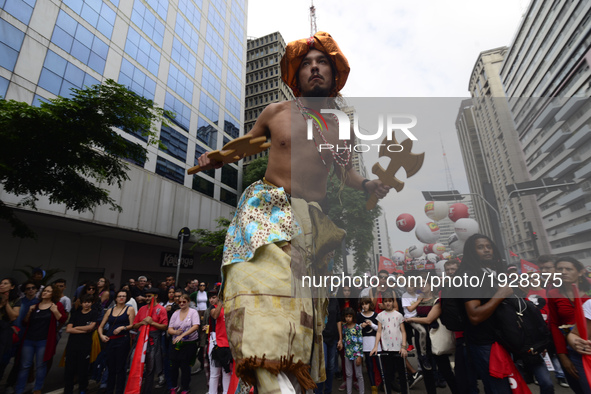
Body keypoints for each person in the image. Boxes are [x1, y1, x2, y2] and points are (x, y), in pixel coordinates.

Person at [197, 31, 390, 392]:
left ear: (334, 76)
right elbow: (246, 145)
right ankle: (264, 370)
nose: (314, 68)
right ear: (295, 75)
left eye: (322, 63)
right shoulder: (276, 112)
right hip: (266, 207)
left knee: (300, 310)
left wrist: (366, 185)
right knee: (253, 282)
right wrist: (217, 156)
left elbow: (345, 172)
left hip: (311, 221)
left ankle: (282, 379)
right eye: (306, 64)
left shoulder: (339, 126)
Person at [456, 234, 514, 394]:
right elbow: (474, 316)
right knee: (498, 389)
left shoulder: (489, 273)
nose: (487, 250)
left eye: (488, 246)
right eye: (480, 247)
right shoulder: (469, 275)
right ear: (471, 252)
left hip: (499, 340)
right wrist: (500, 294)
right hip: (485, 344)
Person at [405, 274, 458, 394]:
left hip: (435, 336)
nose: (421, 286)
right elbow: (410, 310)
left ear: (430, 284)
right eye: (420, 284)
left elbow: (429, 319)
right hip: (421, 338)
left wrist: (412, 320)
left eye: (424, 283)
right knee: (426, 370)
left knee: (445, 368)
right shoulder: (419, 299)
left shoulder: (437, 300)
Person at [547, 256, 591, 394]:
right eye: (560, 269)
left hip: (589, 346)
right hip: (571, 349)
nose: (563, 272)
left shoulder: (589, 293)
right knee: (579, 386)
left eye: (568, 269)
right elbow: (554, 324)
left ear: (580, 272)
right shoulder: (554, 293)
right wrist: (562, 356)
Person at [15, 284, 68, 394]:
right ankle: (19, 389)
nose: (45, 292)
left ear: (53, 294)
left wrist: (55, 311)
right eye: (44, 291)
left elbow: (63, 319)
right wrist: (29, 312)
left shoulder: (56, 305)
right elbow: (25, 322)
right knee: (25, 365)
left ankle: (37, 388)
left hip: (44, 340)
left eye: (48, 291)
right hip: (29, 339)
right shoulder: (35, 305)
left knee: (41, 365)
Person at [131, 287, 168, 394]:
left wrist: (152, 323)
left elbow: (165, 326)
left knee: (150, 368)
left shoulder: (161, 309)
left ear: (155, 296)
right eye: (146, 296)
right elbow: (134, 325)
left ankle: (146, 391)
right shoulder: (142, 309)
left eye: (149, 296)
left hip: (153, 340)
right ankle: (135, 389)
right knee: (136, 365)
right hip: (140, 339)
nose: (147, 298)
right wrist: (142, 323)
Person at [98, 289, 135, 394]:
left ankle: (119, 390)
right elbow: (101, 326)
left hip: (122, 340)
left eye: (124, 296)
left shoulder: (129, 309)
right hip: (110, 340)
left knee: (120, 367)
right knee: (110, 367)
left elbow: (132, 325)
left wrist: (122, 328)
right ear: (116, 298)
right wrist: (101, 335)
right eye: (119, 296)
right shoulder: (110, 310)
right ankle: (109, 390)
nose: (121, 298)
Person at [370, 291, 408, 394]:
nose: (388, 303)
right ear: (382, 303)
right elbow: (379, 331)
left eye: (390, 301)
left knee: (401, 373)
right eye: (385, 301)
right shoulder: (380, 315)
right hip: (386, 349)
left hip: (399, 348)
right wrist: (375, 346)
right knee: (388, 373)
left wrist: (404, 346)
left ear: (393, 302)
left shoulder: (399, 315)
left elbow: (403, 331)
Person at [63, 294, 98, 394]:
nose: (86, 304)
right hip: (72, 345)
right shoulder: (76, 314)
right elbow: (68, 329)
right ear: (81, 303)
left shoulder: (94, 313)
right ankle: (68, 390)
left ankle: (83, 388)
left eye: (89, 302)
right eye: (84, 302)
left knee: (83, 368)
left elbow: (91, 327)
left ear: (92, 303)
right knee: (69, 369)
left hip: (85, 345)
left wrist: (76, 328)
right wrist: (83, 330)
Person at [167, 294, 200, 394]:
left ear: (188, 302)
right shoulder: (176, 313)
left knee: (185, 365)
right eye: (179, 302)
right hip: (176, 343)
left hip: (189, 343)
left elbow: (195, 326)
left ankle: (185, 387)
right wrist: (176, 333)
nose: (181, 303)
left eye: (184, 302)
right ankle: (174, 386)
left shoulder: (193, 312)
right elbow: (169, 329)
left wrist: (182, 335)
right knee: (174, 366)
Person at [357, 298, 387, 394]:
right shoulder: (359, 316)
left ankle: (384, 384)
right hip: (365, 343)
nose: (364, 306)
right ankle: (373, 386)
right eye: (363, 304)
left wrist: (372, 324)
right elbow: (355, 329)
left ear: (370, 304)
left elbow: (380, 329)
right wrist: (361, 326)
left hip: (376, 343)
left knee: (380, 365)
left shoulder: (376, 315)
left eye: (366, 304)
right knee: (369, 366)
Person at [208, 294, 232, 394]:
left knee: (227, 372)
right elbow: (215, 316)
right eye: (211, 298)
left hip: (229, 343)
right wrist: (220, 303)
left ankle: (226, 392)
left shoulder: (231, 307)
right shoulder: (214, 308)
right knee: (215, 372)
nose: (212, 300)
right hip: (216, 342)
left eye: (214, 297)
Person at [337, 307, 364, 394]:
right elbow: (344, 339)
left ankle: (362, 392)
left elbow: (360, 342)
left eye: (350, 316)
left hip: (356, 354)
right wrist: (341, 344)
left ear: (353, 317)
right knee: (348, 375)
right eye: (346, 316)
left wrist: (359, 355)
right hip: (347, 354)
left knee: (359, 375)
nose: (348, 318)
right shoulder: (344, 327)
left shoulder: (357, 327)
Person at [0, 278, 21, 381]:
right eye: (1, 283)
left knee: (2, 359)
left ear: (12, 287)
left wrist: (6, 303)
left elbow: (13, 316)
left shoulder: (16, 300)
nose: (2, 285)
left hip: (4, 332)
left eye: (5, 283)